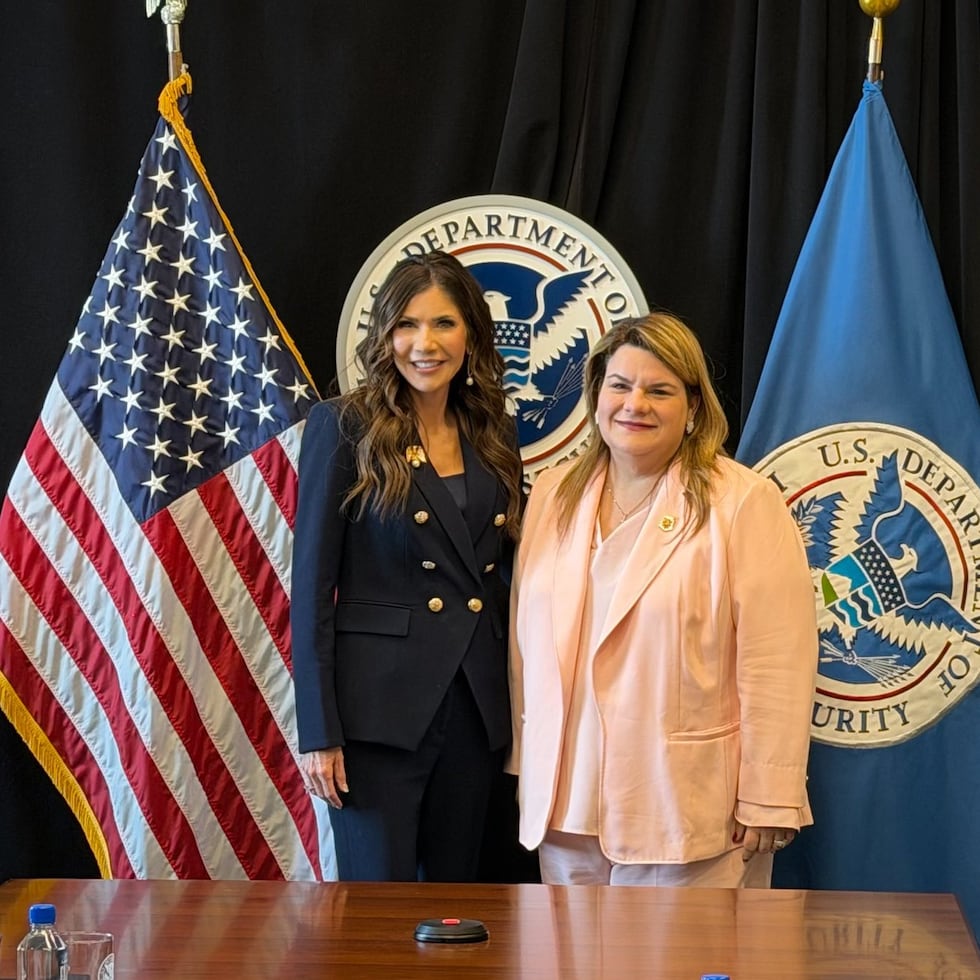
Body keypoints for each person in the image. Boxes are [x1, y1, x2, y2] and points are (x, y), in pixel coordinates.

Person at [508, 313, 818, 887]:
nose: (635, 405)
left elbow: (777, 660)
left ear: (693, 406)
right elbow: (525, 648)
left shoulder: (743, 502)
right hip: (564, 802)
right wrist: (529, 757)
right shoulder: (552, 494)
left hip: (687, 806)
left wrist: (771, 793)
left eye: (659, 390)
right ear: (596, 394)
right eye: (620, 386)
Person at [291, 250, 525, 881]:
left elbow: (507, 577)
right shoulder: (344, 426)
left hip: (475, 708)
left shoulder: (493, 431)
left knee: (454, 910)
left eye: (444, 324)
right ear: (385, 335)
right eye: (408, 325)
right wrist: (319, 731)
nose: (426, 343)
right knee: (376, 916)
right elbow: (310, 591)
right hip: (376, 717)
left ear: (471, 333)